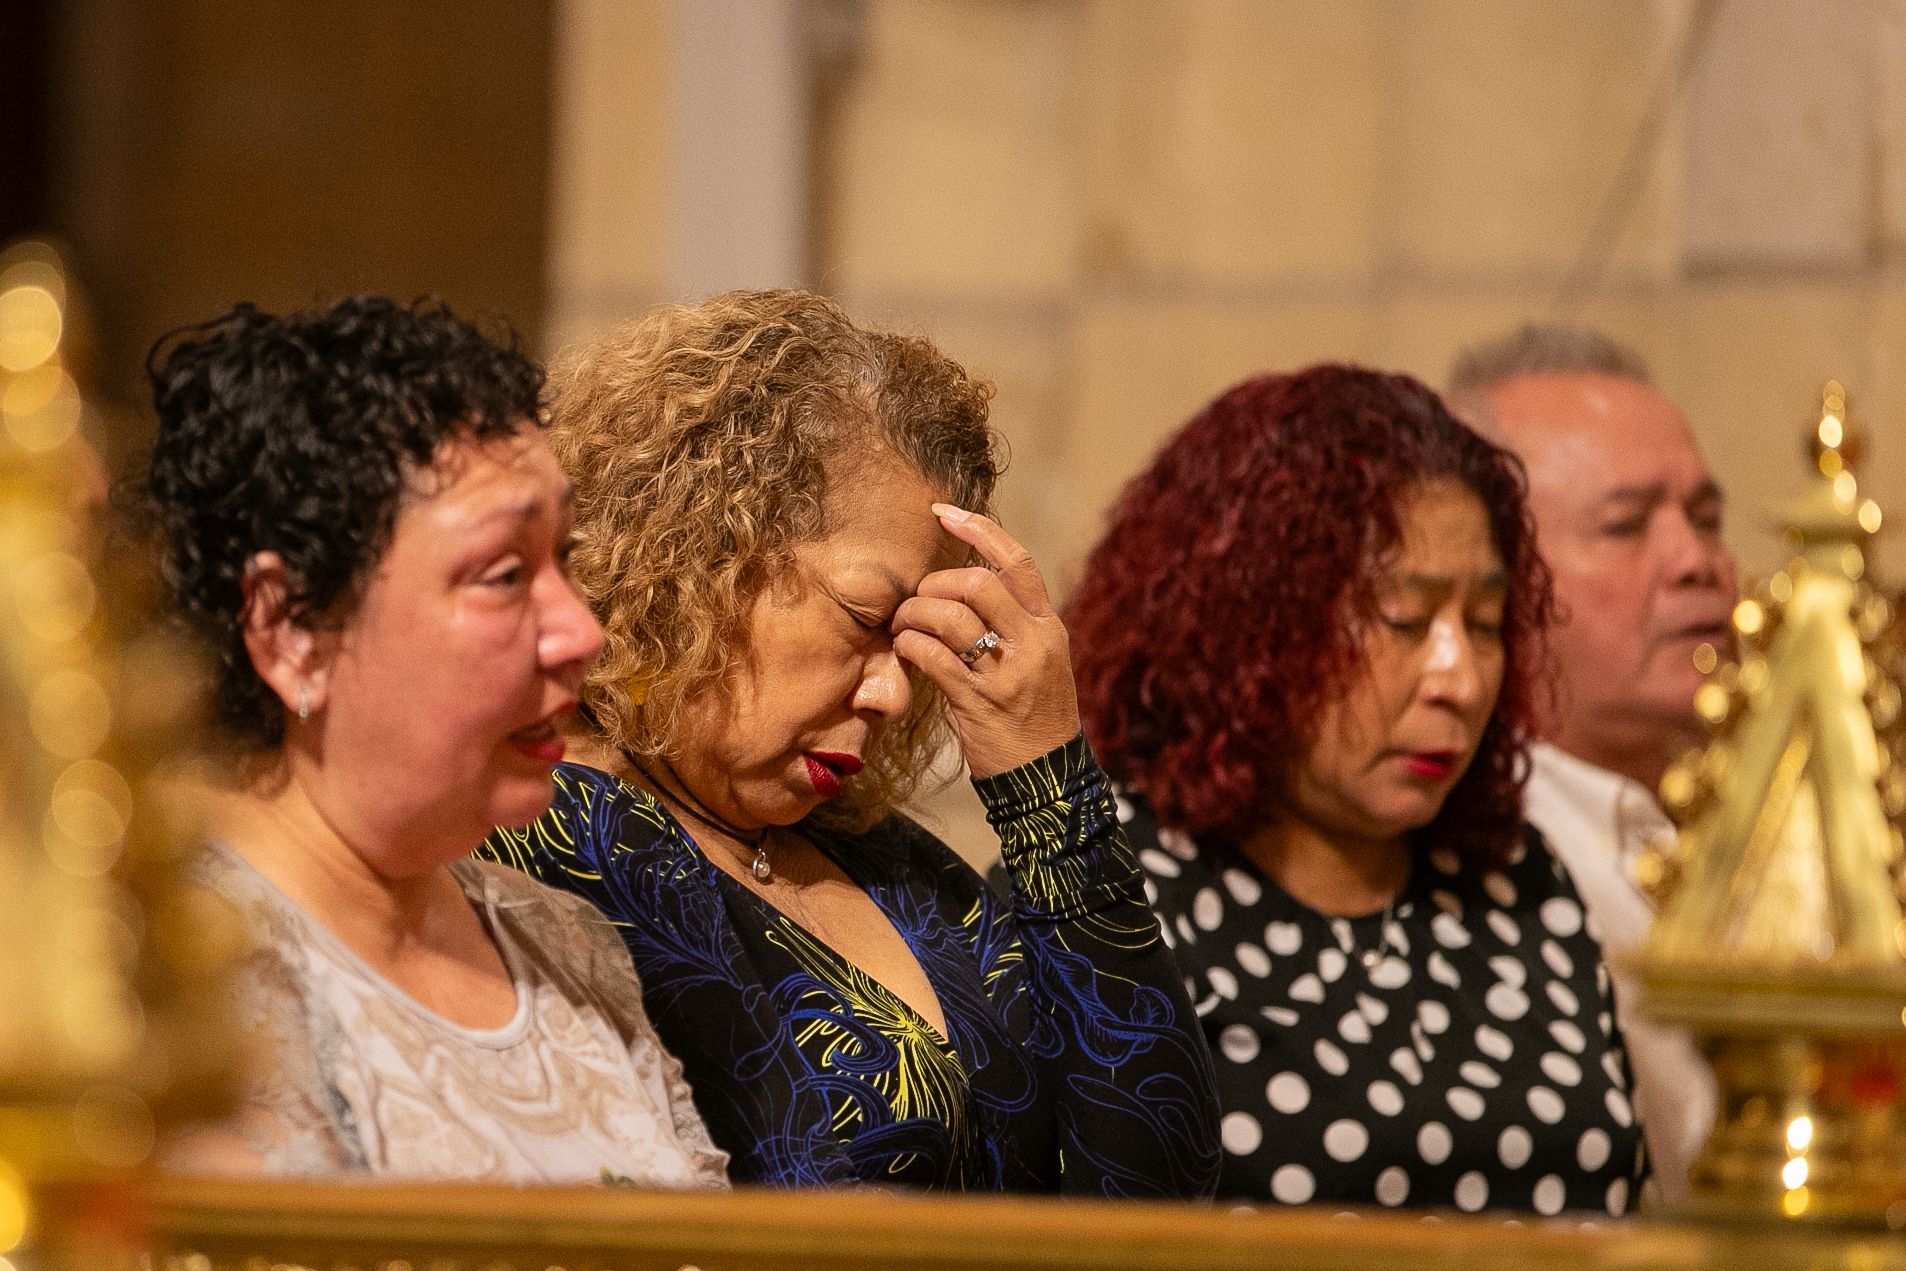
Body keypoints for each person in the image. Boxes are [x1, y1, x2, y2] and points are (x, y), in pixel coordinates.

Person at [481, 289, 1220, 1195]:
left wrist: (1049, 783)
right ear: (698, 555)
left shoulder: (894, 865)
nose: (891, 689)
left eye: (915, 639)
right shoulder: (550, 827)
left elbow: (1161, 1188)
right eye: (864, 619)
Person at [145, 295, 727, 1186]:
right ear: (291, 626)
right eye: (503, 574)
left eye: (562, 557)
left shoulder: (565, 942)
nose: (580, 631)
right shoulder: (175, 971)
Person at [1067, 365, 1648, 1215]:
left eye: (1484, 625)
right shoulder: (1105, 892)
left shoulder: (1520, 875)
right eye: (1403, 621)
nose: (1456, 676)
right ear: (1257, 627)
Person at [1448, 325, 1736, 1203]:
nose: (1699, 564)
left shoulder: (1749, 820)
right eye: (1624, 525)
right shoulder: (1476, 855)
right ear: (1485, 580)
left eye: (1707, 518)